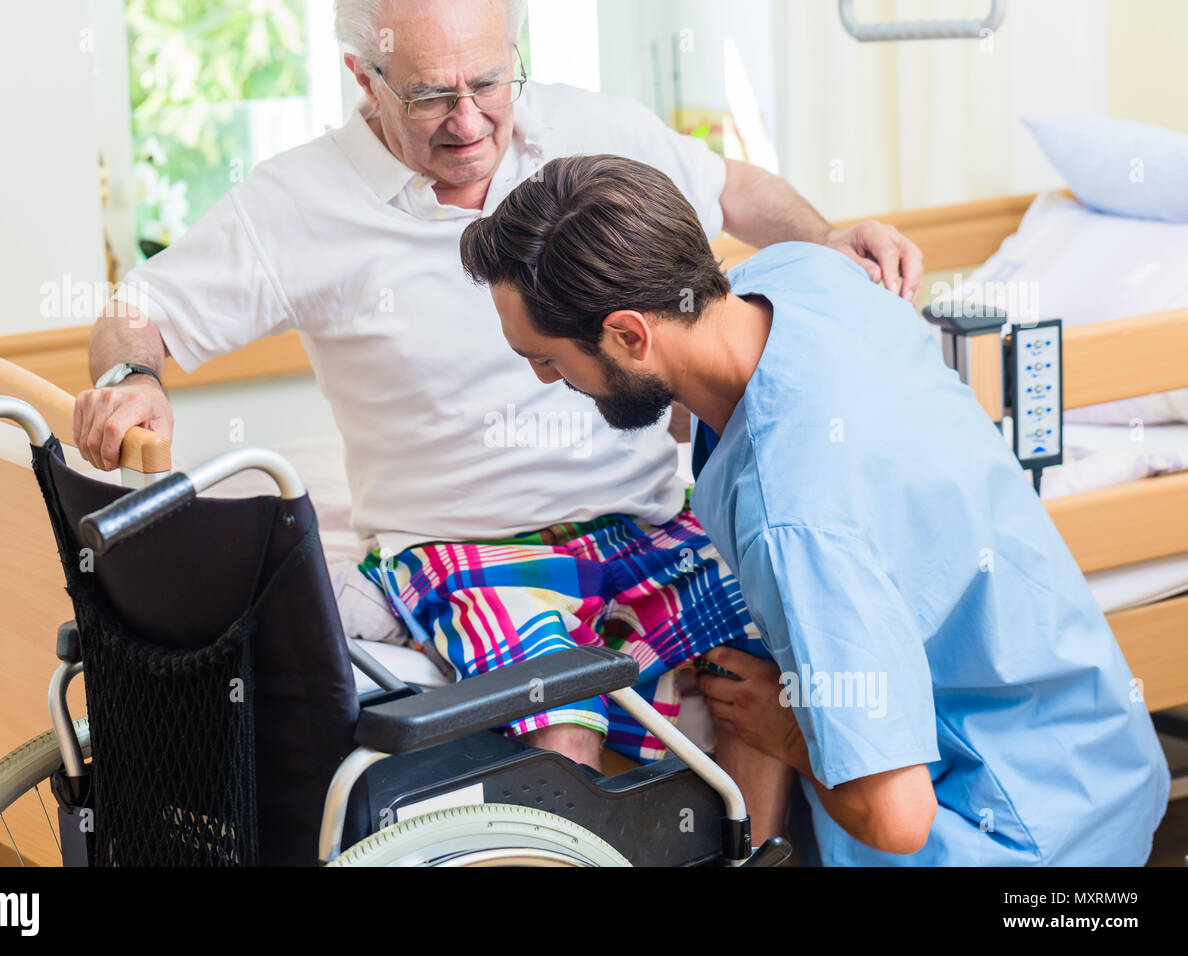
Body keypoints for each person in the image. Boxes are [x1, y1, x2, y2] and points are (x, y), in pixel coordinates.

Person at [74, 0, 920, 837]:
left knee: (760, 655)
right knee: (563, 709)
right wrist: (130, 373)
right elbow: (137, 311)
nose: (469, 119)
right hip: (461, 542)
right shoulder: (296, 203)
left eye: (488, 80)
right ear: (364, 80)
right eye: (430, 96)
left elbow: (730, 188)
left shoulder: (589, 131)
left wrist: (828, 237)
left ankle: (751, 856)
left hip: (644, 519)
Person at [458, 152, 1171, 864]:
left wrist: (785, 729)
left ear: (630, 335)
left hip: (1019, 838)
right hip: (1105, 762)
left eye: (547, 360)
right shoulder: (802, 275)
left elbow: (898, 821)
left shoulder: (795, 517)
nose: (545, 378)